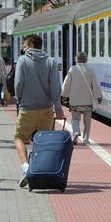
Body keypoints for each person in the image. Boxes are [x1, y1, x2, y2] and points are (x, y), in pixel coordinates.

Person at [14, 34, 64, 187]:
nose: (22, 48)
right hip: (46, 110)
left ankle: (26, 168)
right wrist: (58, 108)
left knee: (19, 139)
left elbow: (18, 84)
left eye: (24, 44)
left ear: (29, 44)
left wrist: (20, 100)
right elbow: (56, 86)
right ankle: (39, 172)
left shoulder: (22, 60)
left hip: (27, 108)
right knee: (42, 143)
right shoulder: (51, 62)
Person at [61, 51, 102, 145]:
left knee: (75, 119)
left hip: (75, 100)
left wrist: (64, 95)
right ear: (86, 59)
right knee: (87, 121)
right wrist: (98, 96)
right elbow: (95, 84)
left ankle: (75, 132)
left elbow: (67, 84)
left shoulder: (72, 69)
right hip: (87, 100)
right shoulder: (90, 69)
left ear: (76, 59)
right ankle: (86, 139)